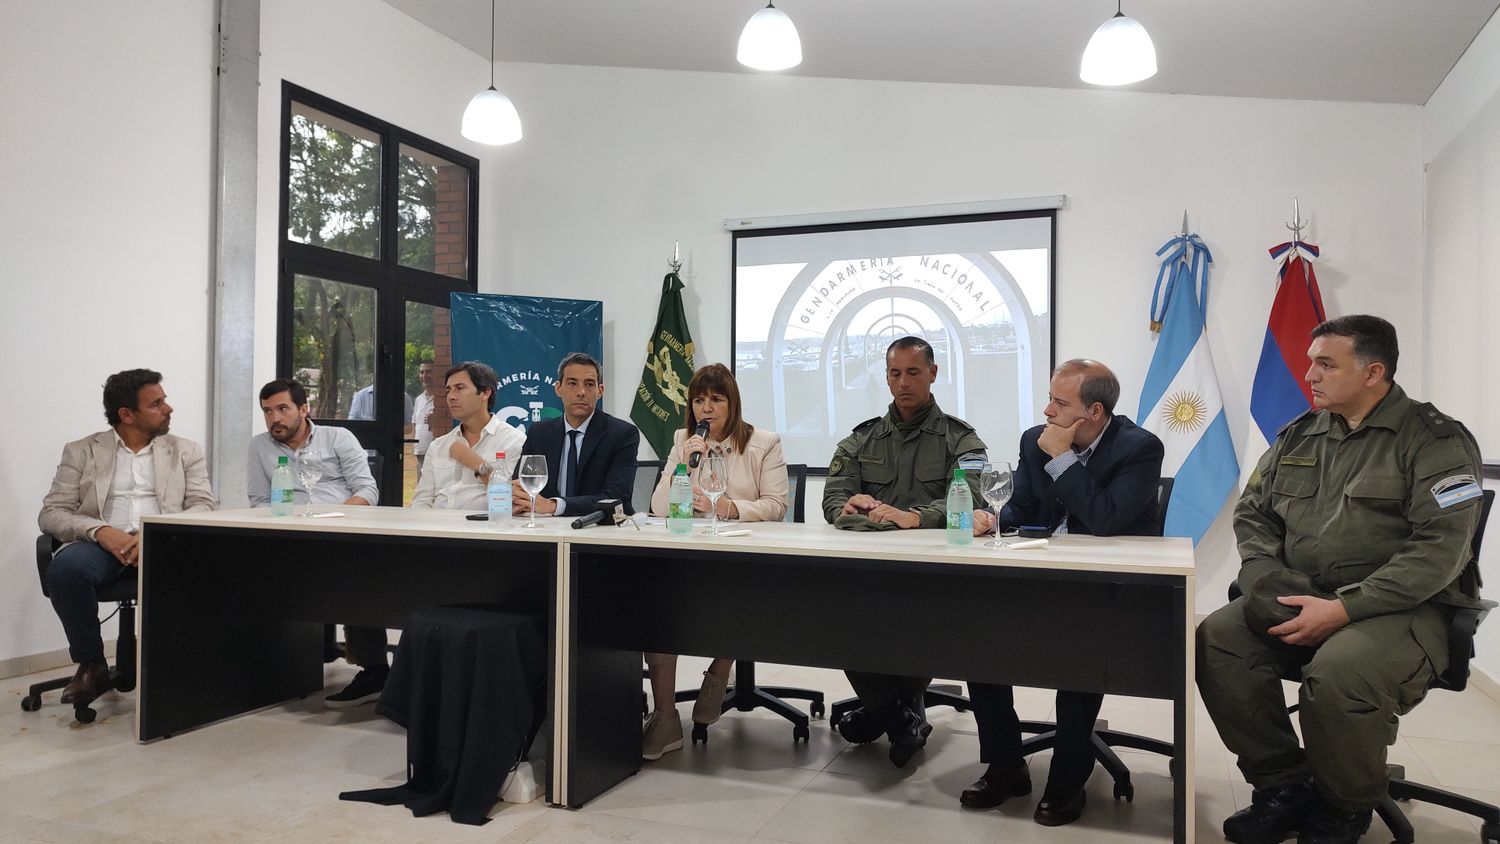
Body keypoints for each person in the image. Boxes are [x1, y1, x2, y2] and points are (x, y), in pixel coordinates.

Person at [1197, 315, 1484, 844]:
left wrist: (1345, 609)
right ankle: (1285, 786)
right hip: (1302, 592)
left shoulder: (1435, 441)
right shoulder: (1300, 434)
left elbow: (1440, 551)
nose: (1309, 374)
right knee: (1219, 639)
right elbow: (1253, 513)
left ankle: (1344, 805)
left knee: (1339, 671)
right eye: (1311, 362)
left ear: (1373, 372)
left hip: (1404, 609)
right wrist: (1263, 576)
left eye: (1326, 364)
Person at [962, 359, 1164, 826]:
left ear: (1093, 412)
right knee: (980, 639)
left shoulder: (1139, 447)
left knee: (1081, 651)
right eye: (1050, 398)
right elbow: (1026, 505)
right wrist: (993, 518)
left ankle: (1067, 779)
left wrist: (1063, 459)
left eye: (1060, 402)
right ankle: (1006, 764)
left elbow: (1106, 520)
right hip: (1048, 575)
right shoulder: (1037, 438)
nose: (1047, 409)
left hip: (1109, 590)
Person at [822, 335, 987, 767]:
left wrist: (914, 517)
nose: (903, 382)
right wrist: (851, 507)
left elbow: (972, 500)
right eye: (895, 374)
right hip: (870, 574)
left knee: (918, 626)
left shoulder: (961, 439)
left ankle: (879, 714)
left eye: (913, 372)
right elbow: (833, 503)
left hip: (938, 577)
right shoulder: (862, 440)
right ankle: (899, 718)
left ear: (933, 373)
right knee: (835, 622)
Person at [38, 369, 216, 706]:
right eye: (157, 403)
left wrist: (154, 533)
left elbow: (204, 506)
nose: (168, 408)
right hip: (101, 546)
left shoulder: (185, 450)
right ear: (126, 414)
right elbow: (52, 512)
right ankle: (92, 665)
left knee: (213, 568)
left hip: (164, 544)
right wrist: (101, 531)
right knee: (66, 569)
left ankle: (188, 667)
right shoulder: (81, 451)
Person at [641, 363, 790, 760]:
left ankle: (721, 668)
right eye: (699, 400)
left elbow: (776, 506)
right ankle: (666, 716)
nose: (707, 407)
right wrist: (683, 465)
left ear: (732, 403)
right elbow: (658, 508)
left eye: (716, 399)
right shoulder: (683, 440)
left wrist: (726, 507)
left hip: (746, 556)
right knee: (656, 604)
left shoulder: (763, 442)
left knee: (734, 594)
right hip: (692, 553)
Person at [248, 378, 385, 708]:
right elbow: (257, 500)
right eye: (267, 411)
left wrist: (332, 518)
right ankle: (271, 664)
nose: (274, 419)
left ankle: (375, 670)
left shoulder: (338, 438)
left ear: (304, 409)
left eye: (282, 409)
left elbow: (367, 492)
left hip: (342, 530)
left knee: (359, 570)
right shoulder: (259, 446)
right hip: (288, 533)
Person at [512, 352, 640, 517]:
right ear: (558, 388)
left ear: (600, 391)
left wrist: (553, 506)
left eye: (589, 384)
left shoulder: (622, 434)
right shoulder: (539, 433)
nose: (581, 392)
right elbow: (521, 485)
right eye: (572, 383)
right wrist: (517, 498)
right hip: (547, 528)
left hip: (600, 529)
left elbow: (615, 498)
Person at [411, 361, 525, 510]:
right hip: (438, 528)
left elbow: (513, 499)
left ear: (485, 392)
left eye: (459, 388)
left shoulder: (513, 441)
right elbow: (422, 499)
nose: (451, 397)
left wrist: (478, 465)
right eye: (448, 390)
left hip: (485, 528)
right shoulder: (438, 445)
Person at [411, 359, 444, 472]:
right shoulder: (418, 399)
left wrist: (437, 422)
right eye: (422, 372)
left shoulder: (443, 399)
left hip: (437, 455)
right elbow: (415, 425)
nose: (424, 375)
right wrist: (415, 447)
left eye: (429, 372)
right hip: (420, 453)